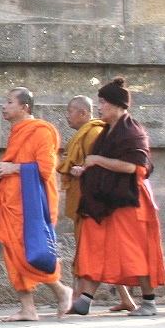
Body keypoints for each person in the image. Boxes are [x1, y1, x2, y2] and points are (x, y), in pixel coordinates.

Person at [71, 78, 165, 317]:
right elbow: (102, 164)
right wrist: (85, 170)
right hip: (105, 200)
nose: (100, 107)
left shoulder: (133, 130)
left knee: (133, 251)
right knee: (98, 246)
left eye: (103, 103)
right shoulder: (106, 132)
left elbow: (133, 167)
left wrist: (96, 161)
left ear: (117, 105)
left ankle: (149, 302)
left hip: (129, 201)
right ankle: (85, 299)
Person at [0, 88, 72, 322]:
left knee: (31, 251)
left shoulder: (42, 131)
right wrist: (4, 170)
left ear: (24, 107)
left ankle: (62, 291)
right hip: (13, 203)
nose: (4, 106)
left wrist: (12, 168)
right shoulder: (17, 132)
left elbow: (45, 169)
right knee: (13, 254)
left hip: (33, 204)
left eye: (9, 102)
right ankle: (28, 308)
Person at [57, 97, 129, 311]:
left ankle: (80, 297)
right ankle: (126, 299)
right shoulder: (83, 135)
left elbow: (99, 166)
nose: (66, 116)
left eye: (70, 111)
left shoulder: (94, 133)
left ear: (83, 113)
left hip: (92, 200)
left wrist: (82, 171)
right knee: (100, 249)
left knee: (90, 250)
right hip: (83, 197)